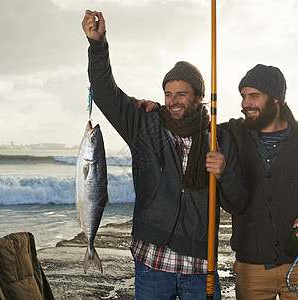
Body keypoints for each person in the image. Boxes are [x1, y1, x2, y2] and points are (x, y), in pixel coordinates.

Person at [137, 64, 298, 299]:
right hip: (252, 268)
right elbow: (191, 123)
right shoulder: (231, 133)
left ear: (276, 98)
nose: (246, 103)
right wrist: (159, 110)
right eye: (244, 96)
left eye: (254, 96)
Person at [82, 10, 248, 300]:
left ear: (198, 97)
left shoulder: (219, 140)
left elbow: (238, 204)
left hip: (200, 265)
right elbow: (105, 93)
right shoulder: (146, 126)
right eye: (168, 93)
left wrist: (225, 174)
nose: (173, 100)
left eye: (181, 94)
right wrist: (98, 45)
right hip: (151, 262)